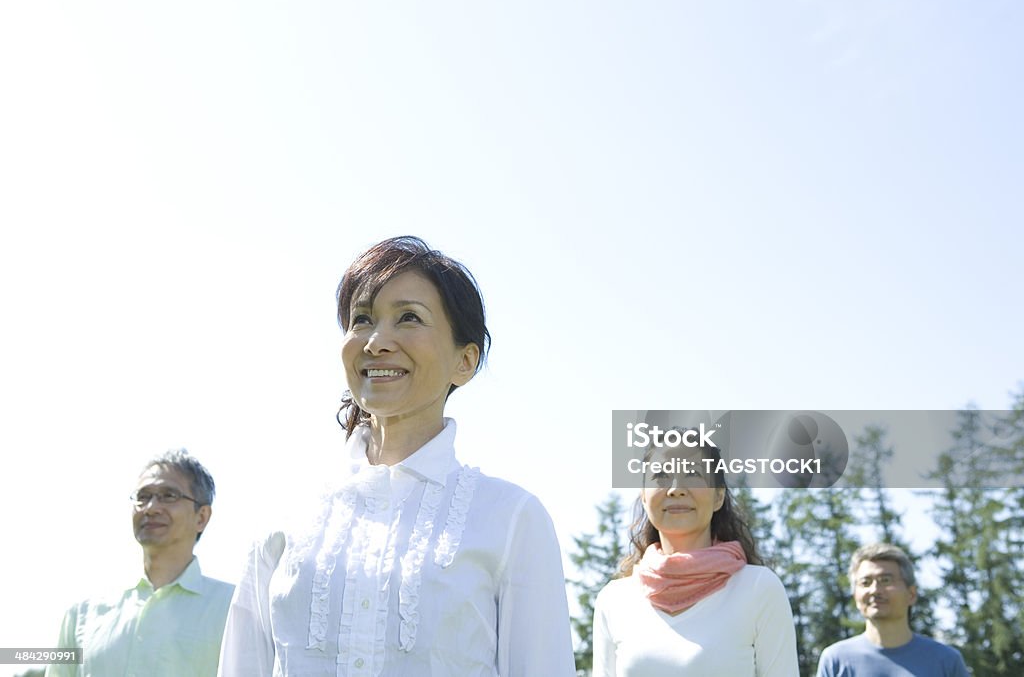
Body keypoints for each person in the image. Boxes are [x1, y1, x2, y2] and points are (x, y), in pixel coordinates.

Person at [218, 236, 575, 676]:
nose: (377, 341)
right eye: (362, 319)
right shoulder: (284, 515)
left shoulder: (512, 517)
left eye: (409, 318)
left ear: (465, 361)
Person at [593, 438, 799, 677]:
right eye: (661, 475)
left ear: (718, 497)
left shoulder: (759, 589)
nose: (676, 488)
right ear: (643, 496)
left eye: (692, 473)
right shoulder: (614, 599)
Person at [47, 449, 234, 677]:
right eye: (143, 496)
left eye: (169, 495)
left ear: (201, 517)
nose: (151, 508)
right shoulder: (81, 614)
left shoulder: (234, 610)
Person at [816, 542, 969, 677]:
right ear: (855, 596)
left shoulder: (946, 661)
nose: (875, 590)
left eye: (886, 580)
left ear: (911, 594)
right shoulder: (835, 660)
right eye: (865, 582)